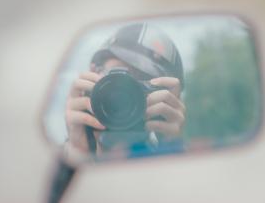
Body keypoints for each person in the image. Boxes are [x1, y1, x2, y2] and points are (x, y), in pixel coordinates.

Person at [64, 23, 186, 158]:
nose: (125, 97)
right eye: (117, 78)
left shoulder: (167, 155)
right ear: (92, 75)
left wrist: (171, 148)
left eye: (142, 85)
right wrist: (78, 152)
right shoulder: (65, 155)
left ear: (171, 103)